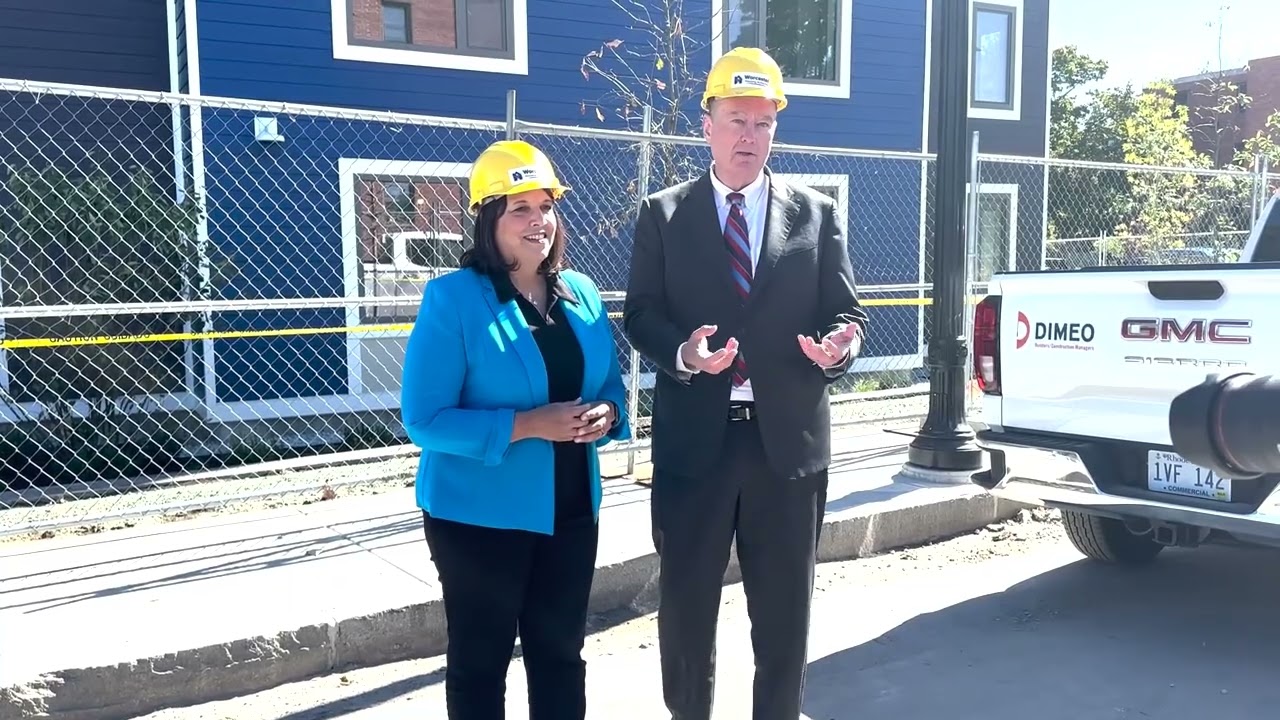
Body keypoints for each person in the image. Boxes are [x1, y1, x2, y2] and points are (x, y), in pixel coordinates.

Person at [621, 46, 869, 720]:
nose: (749, 137)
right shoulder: (664, 214)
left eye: (763, 123)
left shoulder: (817, 215)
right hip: (694, 448)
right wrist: (682, 351)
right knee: (686, 615)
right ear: (707, 124)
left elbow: (846, 313)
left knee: (785, 619)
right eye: (736, 120)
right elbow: (638, 313)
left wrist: (842, 345)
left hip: (785, 448)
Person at [400, 139, 631, 720]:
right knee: (481, 662)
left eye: (545, 205)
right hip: (478, 518)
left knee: (560, 654)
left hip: (572, 508)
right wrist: (528, 425)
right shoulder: (452, 299)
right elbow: (424, 420)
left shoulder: (580, 293)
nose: (538, 221)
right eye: (519, 209)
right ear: (488, 219)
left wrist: (608, 415)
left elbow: (609, 386)